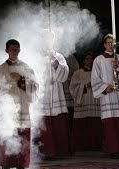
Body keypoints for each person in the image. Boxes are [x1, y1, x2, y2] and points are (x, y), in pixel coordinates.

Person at [0, 39, 38, 169]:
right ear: (6, 50)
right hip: (5, 110)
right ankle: (5, 165)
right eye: (12, 49)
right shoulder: (0, 69)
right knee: (5, 135)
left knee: (22, 136)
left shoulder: (26, 68)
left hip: (22, 107)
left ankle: (21, 165)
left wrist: (21, 80)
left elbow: (35, 88)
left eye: (17, 49)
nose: (15, 51)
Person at [91, 33, 119, 159]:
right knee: (111, 124)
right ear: (104, 45)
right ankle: (114, 150)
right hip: (108, 96)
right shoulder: (98, 60)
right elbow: (94, 78)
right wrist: (105, 87)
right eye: (108, 43)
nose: (110, 45)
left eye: (112, 43)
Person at [36, 29, 73, 159]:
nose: (47, 41)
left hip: (56, 92)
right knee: (44, 122)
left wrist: (55, 61)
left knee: (58, 123)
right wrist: (41, 80)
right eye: (44, 38)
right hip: (42, 93)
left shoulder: (58, 56)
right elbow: (31, 73)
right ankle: (44, 152)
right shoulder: (36, 56)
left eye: (49, 38)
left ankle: (59, 151)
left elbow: (64, 74)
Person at [69, 52, 102, 151]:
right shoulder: (78, 73)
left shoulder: (98, 72)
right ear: (83, 61)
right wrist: (84, 87)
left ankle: (95, 145)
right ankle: (81, 145)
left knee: (94, 124)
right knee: (82, 125)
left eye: (91, 59)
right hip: (83, 102)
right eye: (87, 59)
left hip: (95, 101)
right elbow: (72, 87)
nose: (90, 61)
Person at [63, 53, 80, 132]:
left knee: (70, 114)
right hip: (58, 89)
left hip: (68, 88)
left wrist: (69, 75)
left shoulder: (69, 56)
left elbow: (76, 72)